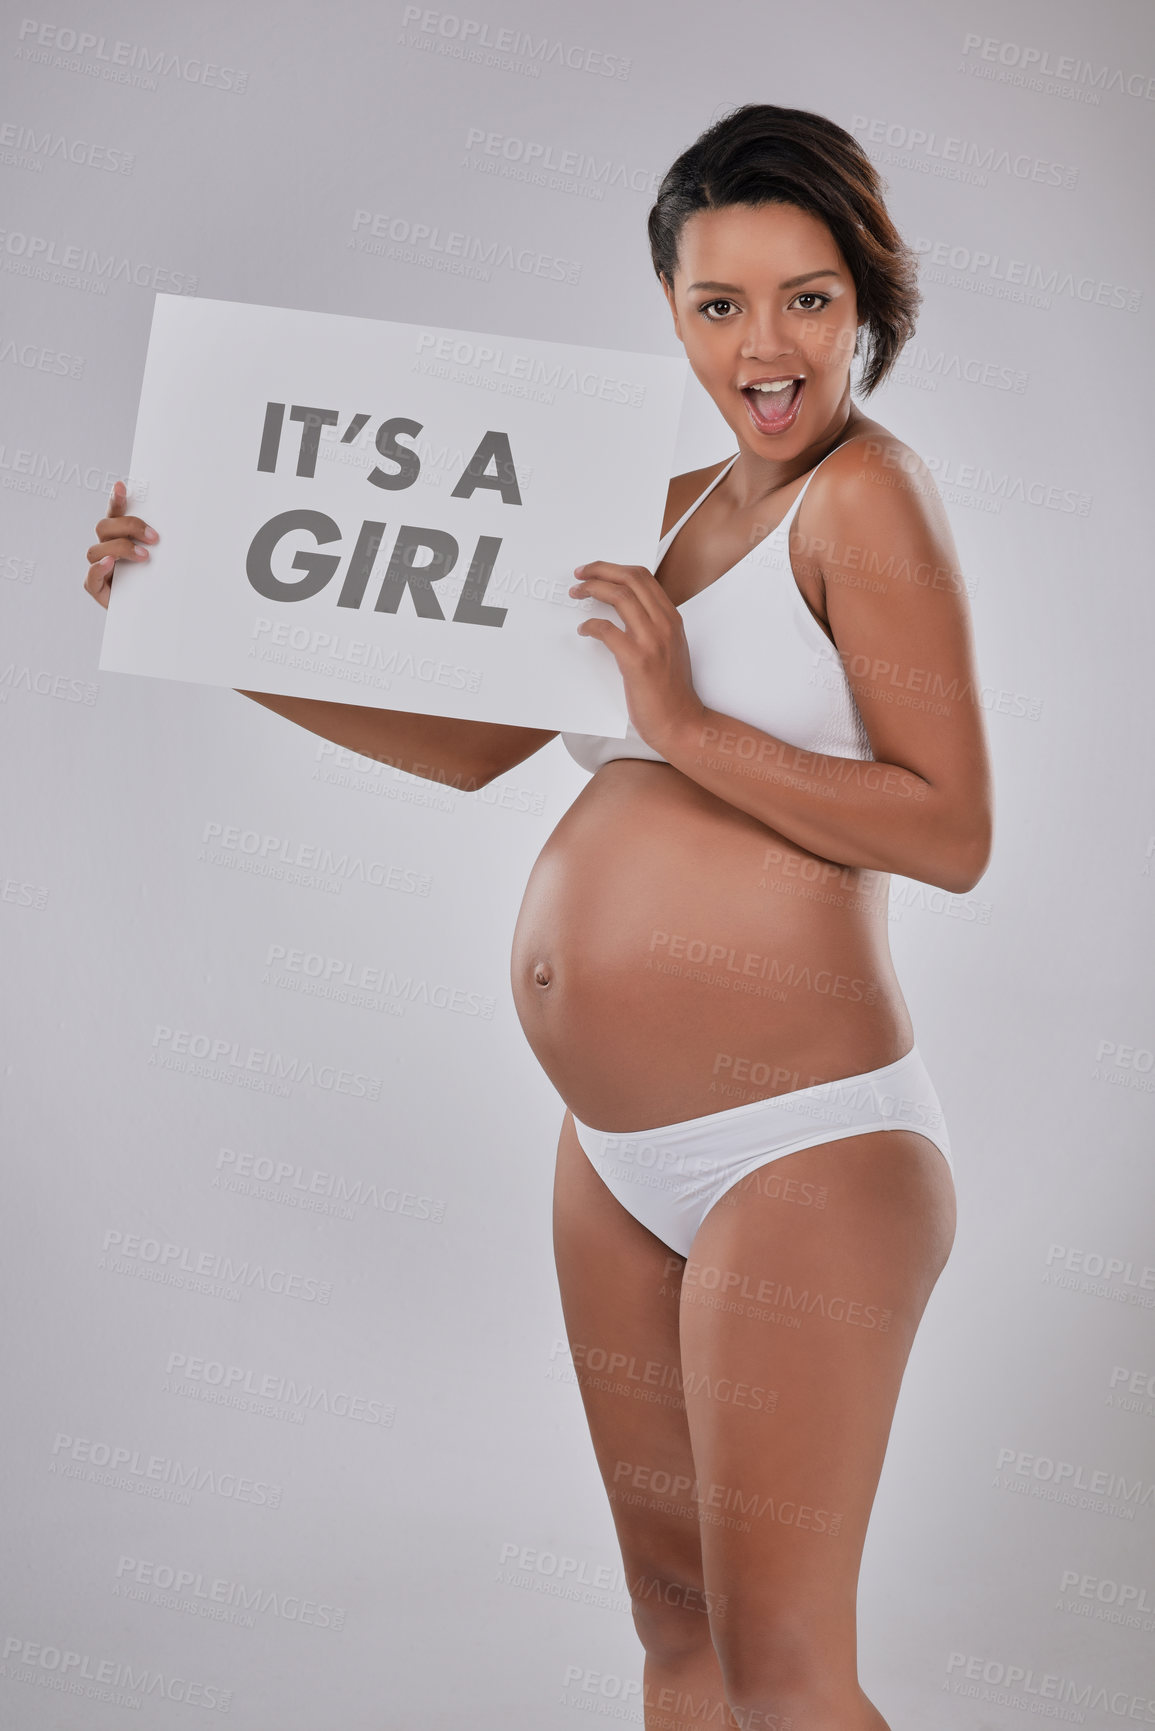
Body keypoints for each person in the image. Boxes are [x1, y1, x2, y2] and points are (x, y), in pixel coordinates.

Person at [85, 103, 993, 1731]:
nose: (765, 346)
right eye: (718, 305)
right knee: (683, 1646)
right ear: (669, 310)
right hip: (616, 1159)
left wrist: (685, 718)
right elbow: (473, 743)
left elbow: (952, 827)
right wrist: (196, 609)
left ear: (868, 299)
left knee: (789, 1678)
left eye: (807, 297)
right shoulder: (654, 505)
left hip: (808, 1148)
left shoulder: (872, 498)